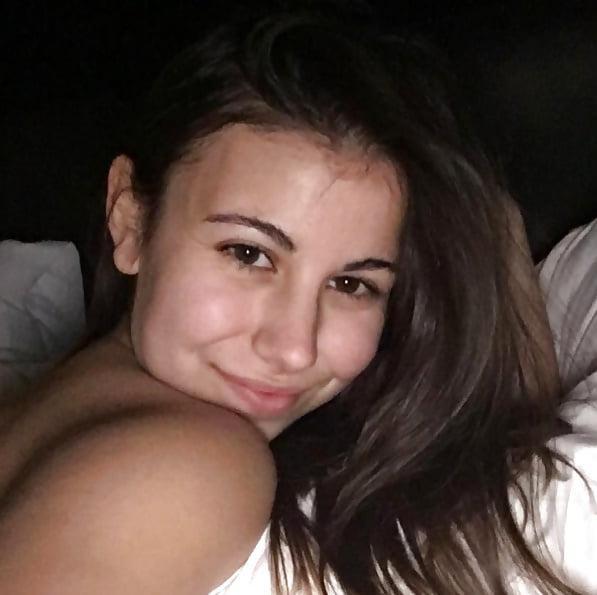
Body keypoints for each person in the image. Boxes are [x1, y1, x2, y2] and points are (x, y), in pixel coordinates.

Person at [0, 7, 595, 595]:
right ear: (131, 221)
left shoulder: (75, 403)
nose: (294, 348)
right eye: (248, 254)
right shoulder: (195, 467)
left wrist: (494, 231)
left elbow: (508, 428)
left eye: (351, 285)